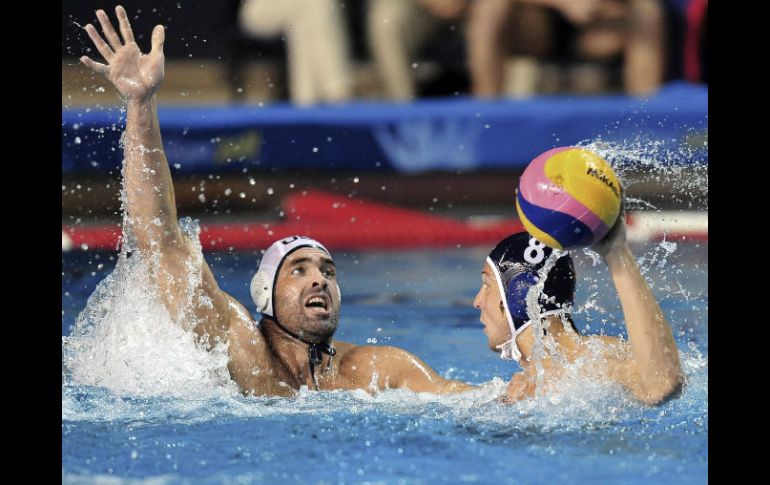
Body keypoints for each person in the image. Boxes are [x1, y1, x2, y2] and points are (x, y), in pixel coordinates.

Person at [80, 6, 474, 397]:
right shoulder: (241, 350)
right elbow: (160, 241)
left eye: (328, 272)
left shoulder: (374, 369)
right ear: (263, 294)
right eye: (299, 270)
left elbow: (466, 398)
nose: (320, 278)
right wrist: (140, 105)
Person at [473, 210, 683, 405]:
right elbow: (453, 393)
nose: (477, 301)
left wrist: (616, 253)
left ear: (519, 294)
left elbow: (660, 384)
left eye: (487, 284)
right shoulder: (522, 383)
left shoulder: (594, 362)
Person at [237, 0, 354, 105]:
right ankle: (336, 93)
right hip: (254, 9)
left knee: (305, 23)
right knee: (315, 4)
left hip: (297, 10)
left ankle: (306, 101)